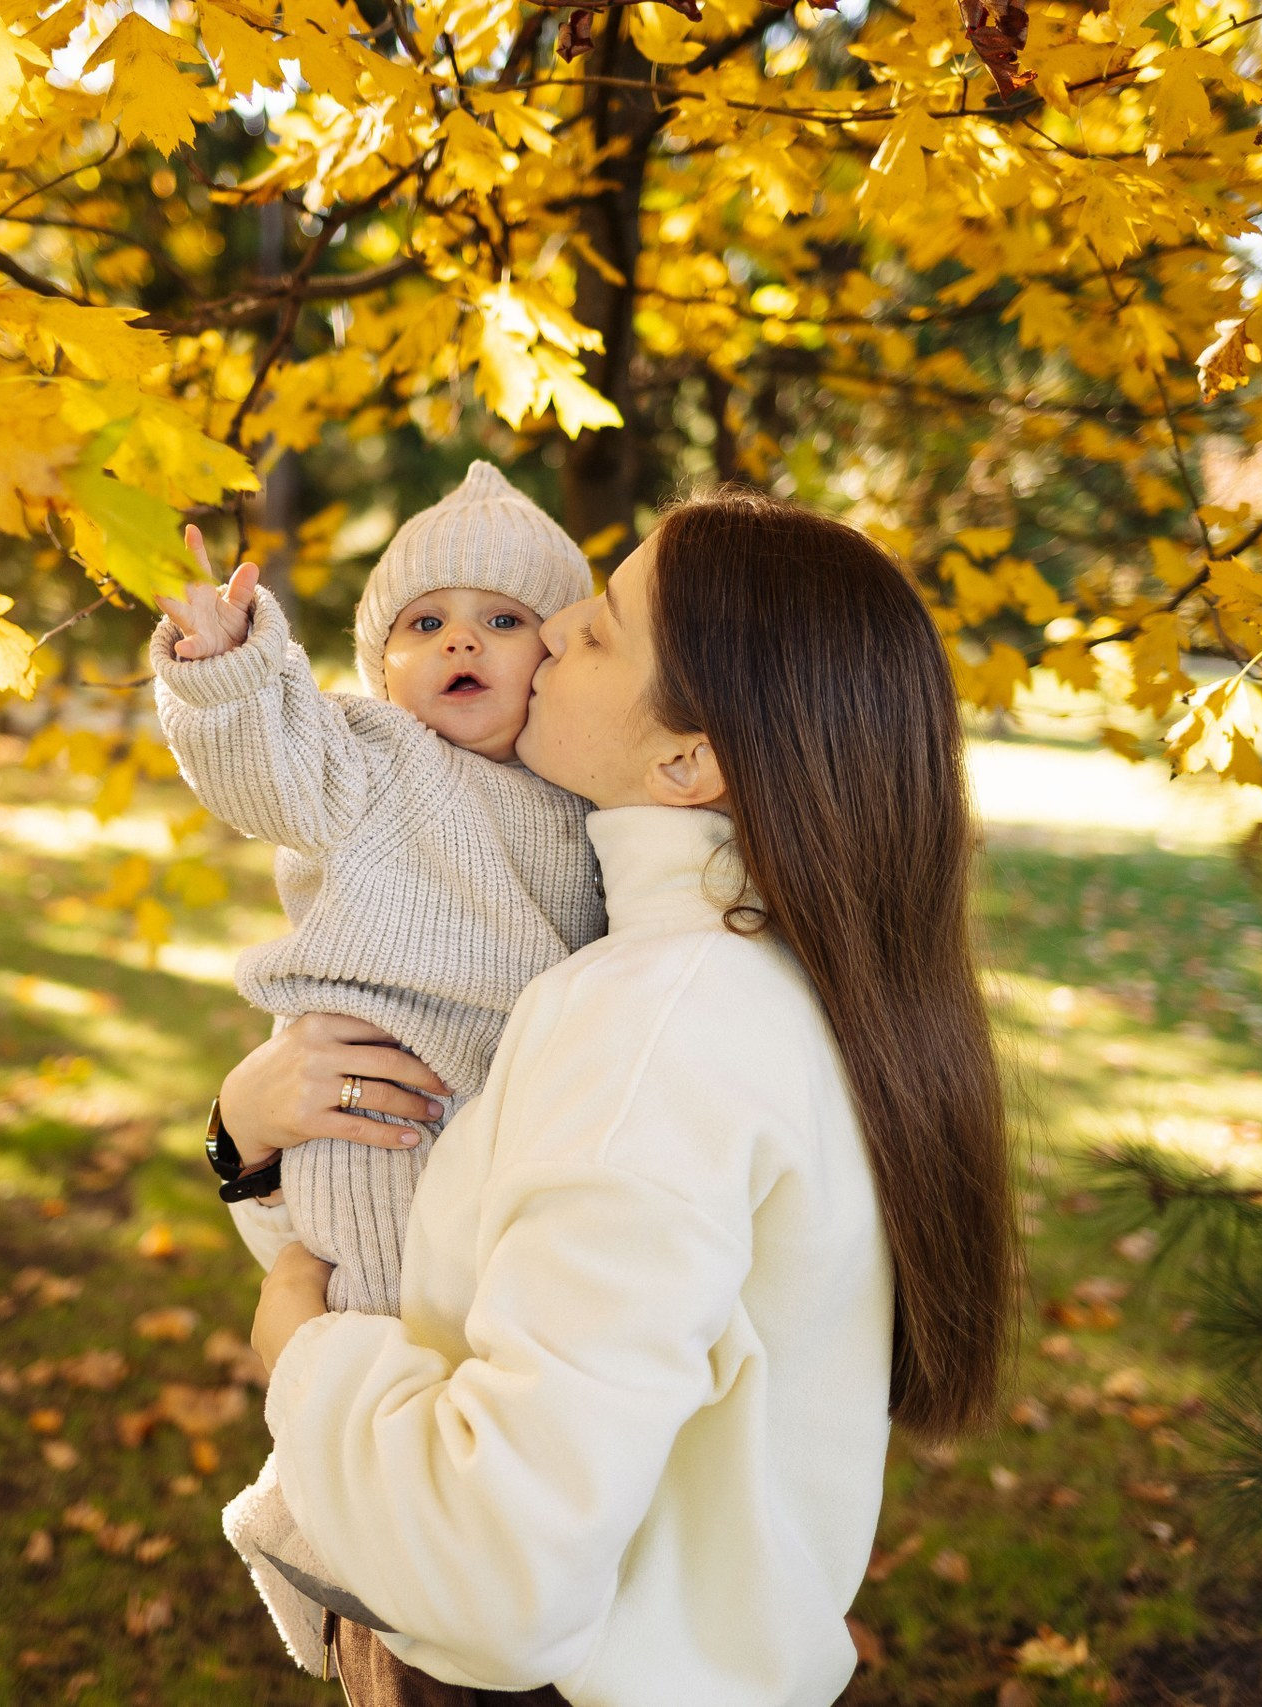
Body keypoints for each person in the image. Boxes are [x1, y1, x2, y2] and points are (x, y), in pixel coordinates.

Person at [214, 489, 1018, 1707]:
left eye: (596, 629)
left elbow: (496, 1576)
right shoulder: (744, 977)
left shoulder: (658, 1025)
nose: (551, 631)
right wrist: (245, 1140)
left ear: (686, 758)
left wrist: (302, 1353)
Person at [149, 463, 607, 1668]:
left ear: (558, 653)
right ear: (380, 668)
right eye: (423, 622)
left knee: (478, 1358)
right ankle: (332, 1526)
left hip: (509, 1115)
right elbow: (266, 763)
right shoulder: (371, 757)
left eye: (504, 619)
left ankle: (368, 1529)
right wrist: (228, 665)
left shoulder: (588, 792)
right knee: (379, 1327)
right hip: (377, 1102)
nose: (462, 637)